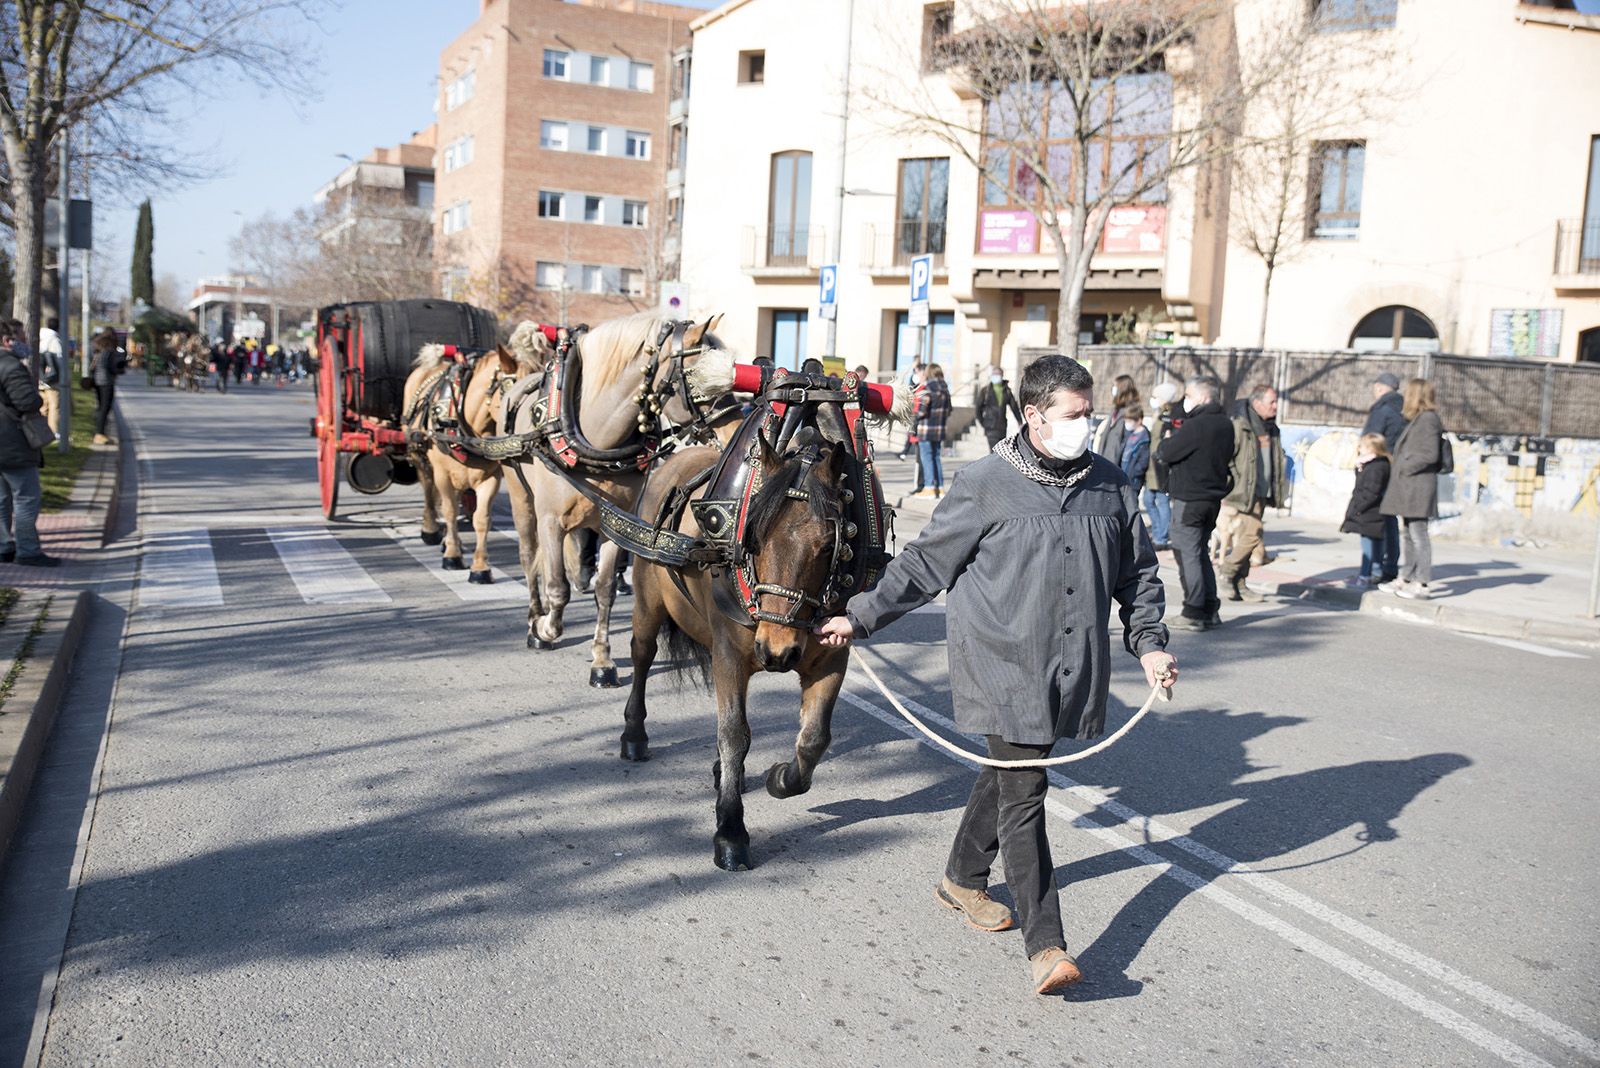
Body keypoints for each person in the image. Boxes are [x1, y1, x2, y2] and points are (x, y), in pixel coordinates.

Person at [813, 354, 1175, 995]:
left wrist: (1148, 644)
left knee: (1011, 769)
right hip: (1000, 661)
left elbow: (1137, 574)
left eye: (1089, 413)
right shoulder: (984, 482)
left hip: (1068, 663)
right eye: (1074, 414)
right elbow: (925, 565)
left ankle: (961, 878)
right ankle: (1048, 945)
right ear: (1033, 416)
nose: (1085, 425)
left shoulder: (1112, 485)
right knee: (1025, 791)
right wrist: (860, 618)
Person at [1157, 375, 1234, 631]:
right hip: (1211, 497)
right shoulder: (1225, 423)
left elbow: (1166, 453)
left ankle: (1194, 610)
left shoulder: (1195, 426)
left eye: (1188, 395)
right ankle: (1209, 607)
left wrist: (1168, 439)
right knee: (1200, 552)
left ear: (1202, 397)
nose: (1184, 401)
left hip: (1190, 498)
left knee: (1187, 552)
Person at [1218, 384, 1288, 603]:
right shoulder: (1241, 425)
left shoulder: (1271, 428)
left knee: (1249, 537)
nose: (1276, 406)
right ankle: (1227, 571)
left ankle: (1240, 583)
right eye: (1272, 402)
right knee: (1253, 534)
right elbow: (1227, 458)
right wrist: (1229, 487)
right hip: (1242, 491)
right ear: (1257, 403)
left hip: (1261, 492)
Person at [1379, 378, 1445, 600]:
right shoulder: (1418, 419)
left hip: (1418, 486)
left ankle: (1422, 583)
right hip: (1410, 486)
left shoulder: (1428, 420)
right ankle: (1406, 577)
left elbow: (1430, 454)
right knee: (1408, 533)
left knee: (1418, 535)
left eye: (1409, 393)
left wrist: (1404, 467)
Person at [0, 336, 59, 567]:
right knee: (26, 497)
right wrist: (36, 398)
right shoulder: (10, 365)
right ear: (6, 339)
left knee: (2, 498)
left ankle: (4, 546)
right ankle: (28, 550)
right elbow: (27, 402)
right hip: (11, 440)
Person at [1361, 372, 1406, 584]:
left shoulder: (1382, 410)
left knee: (1374, 519)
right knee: (1389, 519)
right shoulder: (1403, 409)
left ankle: (1374, 569)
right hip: (1395, 470)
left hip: (1377, 471)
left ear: (1379, 387)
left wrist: (1362, 462)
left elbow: (1372, 440)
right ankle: (1389, 566)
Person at [1341, 433, 1391, 588]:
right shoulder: (1373, 464)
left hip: (1369, 512)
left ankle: (1364, 575)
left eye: (1361, 446)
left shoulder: (1376, 467)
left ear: (1371, 448)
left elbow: (1371, 491)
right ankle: (1376, 572)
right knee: (1376, 544)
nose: (1359, 448)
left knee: (1368, 546)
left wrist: (1358, 508)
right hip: (1373, 511)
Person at [1143, 381, 1180, 550]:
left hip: (1162, 465)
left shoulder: (1172, 416)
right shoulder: (1160, 413)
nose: (1153, 399)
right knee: (1148, 500)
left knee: (1161, 501)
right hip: (1152, 463)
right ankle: (1159, 532)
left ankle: (1161, 538)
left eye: (1156, 396)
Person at [914, 363, 952, 498]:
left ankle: (929, 488)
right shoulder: (945, 390)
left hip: (926, 429)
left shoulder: (928, 388)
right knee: (936, 458)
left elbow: (922, 411)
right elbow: (949, 410)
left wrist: (914, 417)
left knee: (926, 458)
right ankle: (940, 488)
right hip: (939, 429)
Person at [974, 364, 1022, 452]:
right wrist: (983, 422)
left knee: (1000, 452)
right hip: (990, 426)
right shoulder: (985, 391)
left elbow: (1014, 407)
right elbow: (978, 408)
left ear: (1002, 375)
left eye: (998, 374)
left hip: (1002, 426)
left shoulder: (1006, 390)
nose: (996, 376)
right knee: (994, 452)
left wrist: (1019, 421)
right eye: (994, 374)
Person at [90, 327, 125, 445]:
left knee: (101, 407)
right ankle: (99, 434)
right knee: (105, 408)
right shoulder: (109, 350)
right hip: (106, 381)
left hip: (97, 380)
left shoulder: (98, 348)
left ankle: (99, 432)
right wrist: (119, 370)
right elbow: (110, 367)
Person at [1093, 374, 1139, 461]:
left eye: (1115, 386)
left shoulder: (1131, 411)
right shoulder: (1116, 409)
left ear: (1122, 388)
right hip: (1105, 457)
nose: (1113, 389)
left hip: (1117, 460)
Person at [37, 317, 64, 434]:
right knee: (54, 406)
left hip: (40, 377)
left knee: (43, 406)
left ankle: (41, 430)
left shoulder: (39, 337)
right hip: (52, 380)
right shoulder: (54, 340)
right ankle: (53, 431)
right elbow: (59, 360)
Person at [897, 360, 925, 459]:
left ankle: (904, 453)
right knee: (911, 435)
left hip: (919, 417)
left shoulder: (925, 388)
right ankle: (904, 453)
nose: (917, 375)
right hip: (915, 414)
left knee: (914, 438)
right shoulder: (918, 386)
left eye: (919, 373)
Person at [1119, 403, 1150, 486]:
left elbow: (1143, 461)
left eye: (1129, 421)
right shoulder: (1128, 433)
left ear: (1139, 420)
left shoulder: (1144, 438)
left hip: (1133, 479)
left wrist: (1133, 473)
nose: (1127, 424)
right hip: (1123, 470)